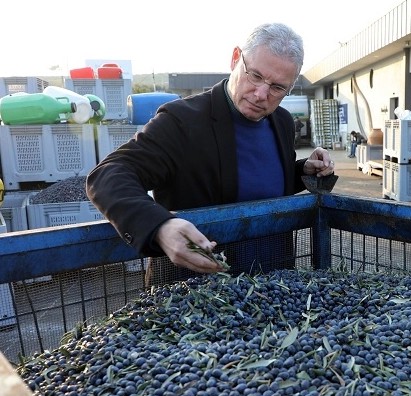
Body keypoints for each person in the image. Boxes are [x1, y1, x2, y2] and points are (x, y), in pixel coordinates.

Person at [86, 22, 335, 283]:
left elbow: (261, 182)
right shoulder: (182, 120)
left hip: (272, 284)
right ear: (236, 58)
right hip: (197, 293)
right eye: (256, 76)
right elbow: (108, 174)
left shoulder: (281, 121)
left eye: (277, 87)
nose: (261, 94)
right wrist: (159, 226)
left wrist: (303, 170)